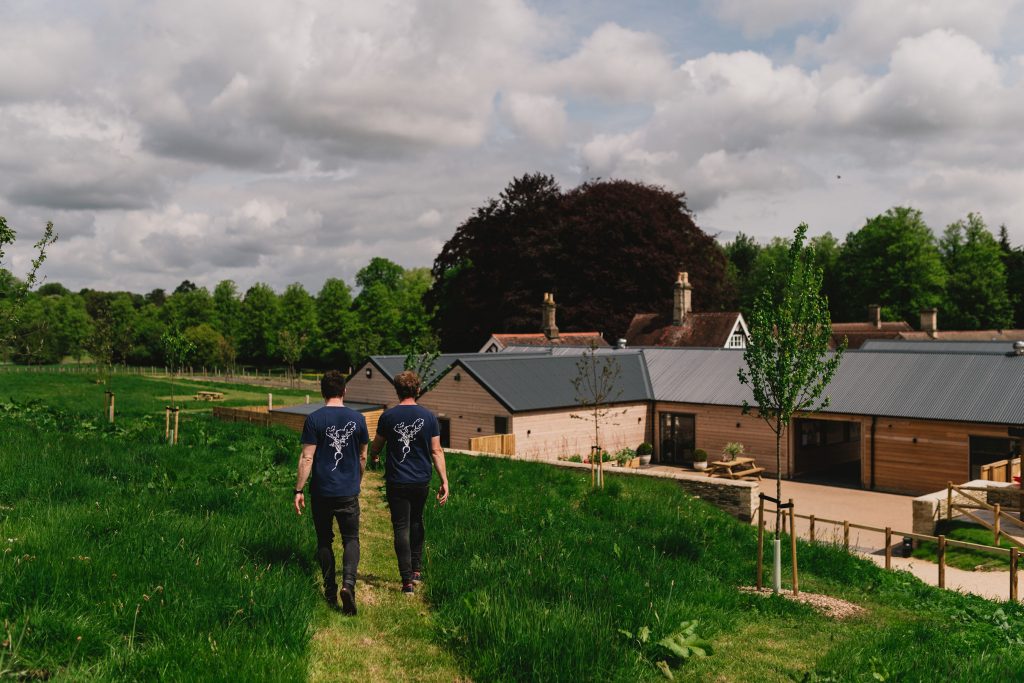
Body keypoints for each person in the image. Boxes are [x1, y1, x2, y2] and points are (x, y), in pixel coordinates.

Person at [294, 370, 368, 615]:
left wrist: (299, 489)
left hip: (321, 491)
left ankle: (329, 589)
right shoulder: (358, 419)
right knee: (351, 539)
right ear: (344, 391)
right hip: (348, 490)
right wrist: (358, 478)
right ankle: (348, 584)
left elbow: (307, 457)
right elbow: (363, 455)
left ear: (322, 392)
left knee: (325, 540)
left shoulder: (314, 419)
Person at [369, 370, 449, 595]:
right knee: (416, 520)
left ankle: (406, 582)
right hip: (421, 480)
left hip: (397, 480)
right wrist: (444, 480)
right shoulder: (429, 417)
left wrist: (374, 455)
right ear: (418, 390)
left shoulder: (388, 417)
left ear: (397, 391)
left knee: (401, 526)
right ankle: (416, 569)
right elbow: (436, 450)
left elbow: (377, 444)